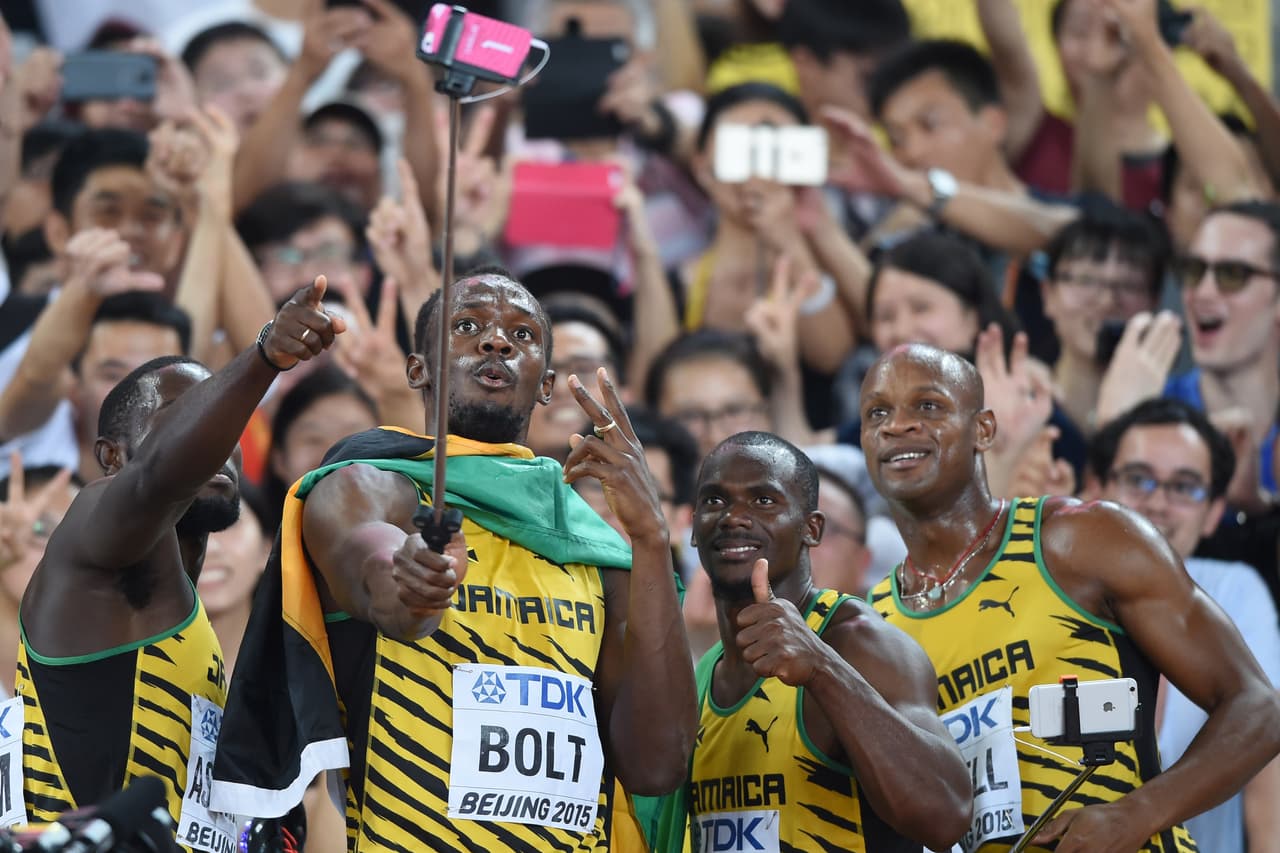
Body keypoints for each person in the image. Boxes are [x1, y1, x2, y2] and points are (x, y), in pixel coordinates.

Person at [211, 268, 697, 850]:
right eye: (468, 327)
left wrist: (650, 542)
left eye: (521, 335)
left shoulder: (598, 545)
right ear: (418, 370)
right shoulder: (368, 485)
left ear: (545, 384)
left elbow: (656, 766)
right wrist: (412, 577)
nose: (496, 342)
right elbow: (386, 589)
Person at [863, 343, 1280, 852]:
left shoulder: (1082, 540)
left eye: (928, 405)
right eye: (877, 412)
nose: (897, 425)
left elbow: (1259, 708)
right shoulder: (874, 623)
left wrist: (1134, 816)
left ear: (984, 430)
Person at [14, 277, 342, 846]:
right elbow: (153, 481)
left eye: (223, 420)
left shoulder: (182, 611)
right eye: (183, 414)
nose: (220, 441)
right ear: (111, 457)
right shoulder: (93, 541)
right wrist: (265, 356)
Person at [651, 431, 971, 852]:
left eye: (764, 500)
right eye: (715, 500)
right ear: (693, 529)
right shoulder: (703, 676)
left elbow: (945, 815)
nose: (733, 517)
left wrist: (823, 669)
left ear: (811, 528)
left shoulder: (858, 640)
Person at [1090, 397, 1280, 853]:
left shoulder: (1236, 590)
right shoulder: (1051, 594)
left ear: (1214, 510)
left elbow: (1269, 771)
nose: (1157, 502)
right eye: (1138, 479)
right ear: (1098, 490)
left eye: (1184, 487)